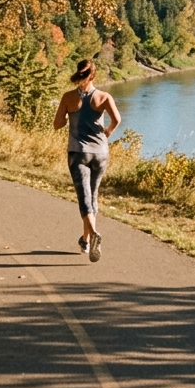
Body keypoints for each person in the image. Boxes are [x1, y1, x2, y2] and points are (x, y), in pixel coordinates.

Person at [53, 59, 120, 262]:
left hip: (78, 152)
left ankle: (94, 233)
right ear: (94, 75)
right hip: (100, 153)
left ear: (78, 73)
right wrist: (107, 132)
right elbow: (117, 119)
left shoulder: (68, 97)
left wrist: (68, 117)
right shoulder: (103, 97)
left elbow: (57, 124)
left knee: (84, 198)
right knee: (93, 195)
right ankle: (86, 240)